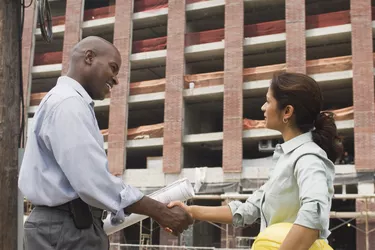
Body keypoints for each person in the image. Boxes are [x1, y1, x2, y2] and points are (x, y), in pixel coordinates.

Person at [19, 36, 193, 250]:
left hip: (63, 226)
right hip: (67, 231)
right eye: (113, 68)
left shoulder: (64, 101)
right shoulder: (69, 104)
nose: (116, 80)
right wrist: (160, 211)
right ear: (89, 58)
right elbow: (93, 181)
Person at [169, 72, 343, 250]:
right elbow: (248, 210)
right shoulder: (288, 158)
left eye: (268, 101)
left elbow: (313, 217)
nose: (263, 107)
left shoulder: (308, 157)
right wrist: (191, 211)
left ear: (287, 112)